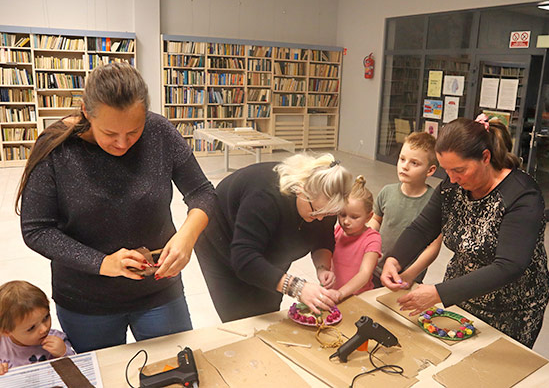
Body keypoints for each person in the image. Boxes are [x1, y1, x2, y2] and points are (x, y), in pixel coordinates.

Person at [17, 63, 215, 352]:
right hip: (86, 302)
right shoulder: (57, 148)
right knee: (101, 378)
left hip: (158, 291)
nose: (122, 143)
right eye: (109, 133)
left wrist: (187, 237)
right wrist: (103, 263)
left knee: (175, 370)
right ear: (86, 111)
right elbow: (36, 229)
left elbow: (203, 193)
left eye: (134, 131)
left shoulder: (160, 132)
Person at [381, 115, 549, 348]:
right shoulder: (452, 186)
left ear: (485, 157)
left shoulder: (521, 195)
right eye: (447, 170)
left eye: (459, 170)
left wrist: (439, 293)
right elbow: (422, 228)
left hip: (511, 308)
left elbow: (509, 266)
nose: (451, 178)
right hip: (462, 293)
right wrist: (394, 259)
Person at [194, 153, 352, 322]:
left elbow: (323, 238)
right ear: (301, 190)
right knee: (241, 319)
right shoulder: (265, 197)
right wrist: (298, 287)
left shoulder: (324, 204)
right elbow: (244, 259)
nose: (321, 218)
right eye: (316, 212)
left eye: (328, 214)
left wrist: (322, 268)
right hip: (221, 243)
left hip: (264, 243)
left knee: (268, 310)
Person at [368, 132, 442, 287]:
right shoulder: (387, 192)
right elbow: (376, 220)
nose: (405, 166)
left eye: (414, 163)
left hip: (409, 278)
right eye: (402, 159)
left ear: (430, 170)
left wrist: (410, 275)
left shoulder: (434, 203)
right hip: (376, 270)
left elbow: (433, 247)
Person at [0, 281, 75, 375]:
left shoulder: (58, 339)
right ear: (6, 332)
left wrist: (64, 353)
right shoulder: (2, 344)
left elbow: (79, 368)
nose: (44, 329)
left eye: (46, 317)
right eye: (31, 328)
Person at [329, 175, 381, 301]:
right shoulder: (338, 230)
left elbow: (364, 274)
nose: (346, 221)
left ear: (369, 217)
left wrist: (340, 293)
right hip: (333, 295)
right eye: (342, 215)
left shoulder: (372, 239)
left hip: (359, 298)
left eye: (354, 217)